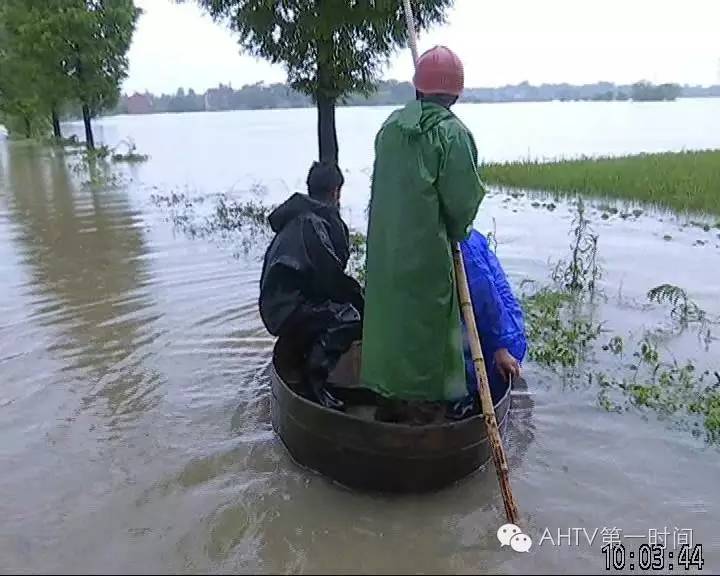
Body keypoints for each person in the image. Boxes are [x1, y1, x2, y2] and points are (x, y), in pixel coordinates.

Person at [360, 45, 486, 405]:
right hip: (426, 260)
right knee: (427, 339)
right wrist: (458, 231)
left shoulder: (390, 129)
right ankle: (425, 411)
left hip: (385, 255)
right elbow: (462, 203)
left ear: (418, 88)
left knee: (390, 328)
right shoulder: (452, 135)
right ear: (456, 95)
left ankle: (388, 402)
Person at [259, 161, 364, 410]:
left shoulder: (298, 219)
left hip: (280, 306)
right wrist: (363, 302)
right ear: (336, 192)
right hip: (287, 308)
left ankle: (304, 360)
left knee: (337, 309)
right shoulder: (311, 224)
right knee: (349, 316)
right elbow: (331, 279)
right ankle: (315, 381)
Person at [454, 229, 527, 418]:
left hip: (499, 335)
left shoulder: (462, 246)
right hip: (491, 325)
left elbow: (485, 295)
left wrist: (499, 346)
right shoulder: (464, 236)